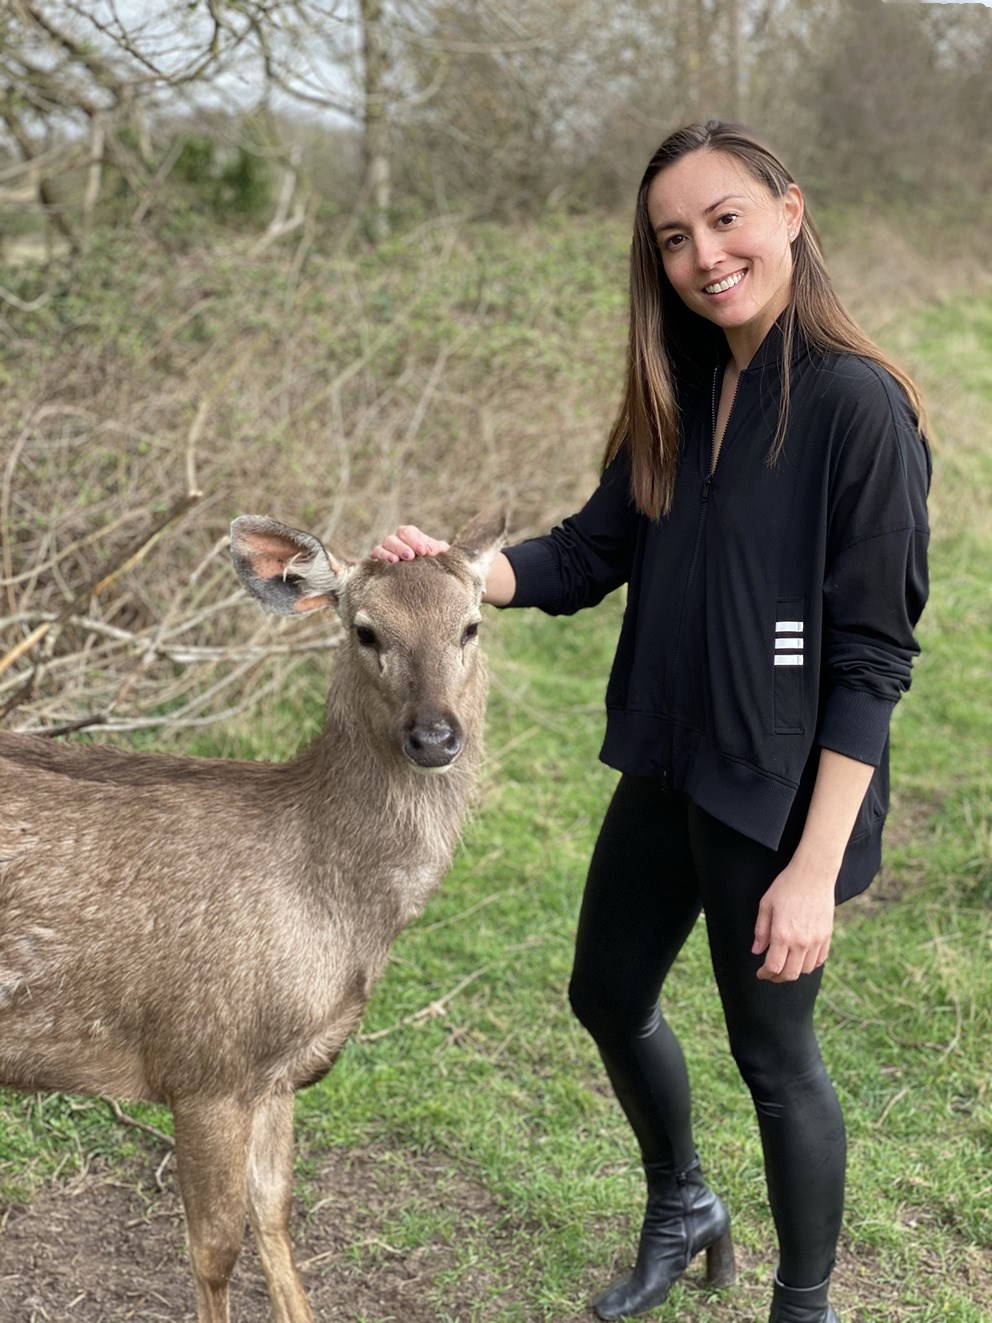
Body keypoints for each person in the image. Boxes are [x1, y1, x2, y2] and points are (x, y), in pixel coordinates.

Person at [372, 119, 931, 1323]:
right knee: (604, 993)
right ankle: (682, 1204)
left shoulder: (856, 409)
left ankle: (804, 1304)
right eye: (673, 238)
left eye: (724, 218)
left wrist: (812, 868)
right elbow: (589, 550)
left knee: (775, 1065)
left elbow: (873, 661)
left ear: (789, 209)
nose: (703, 255)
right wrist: (461, 575)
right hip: (669, 764)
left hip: (778, 796)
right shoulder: (678, 386)